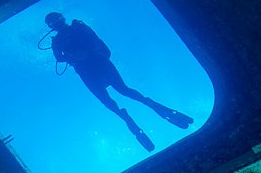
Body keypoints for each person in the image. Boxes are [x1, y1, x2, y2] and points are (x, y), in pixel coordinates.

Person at [44, 12, 193, 152]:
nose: (56, 23)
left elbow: (97, 42)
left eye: (55, 20)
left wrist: (86, 53)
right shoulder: (58, 40)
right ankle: (131, 114)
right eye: (53, 22)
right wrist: (74, 56)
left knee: (120, 92)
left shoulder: (78, 27)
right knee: (111, 97)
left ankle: (139, 111)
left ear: (59, 20)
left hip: (98, 63)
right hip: (87, 69)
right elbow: (60, 57)